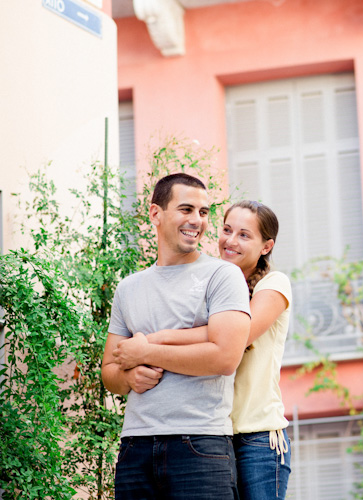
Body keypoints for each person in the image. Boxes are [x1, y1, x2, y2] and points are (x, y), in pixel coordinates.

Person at [114, 200, 293, 500]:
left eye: (244, 235)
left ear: (266, 246)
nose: (230, 241)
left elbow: (237, 337)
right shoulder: (212, 281)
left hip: (257, 437)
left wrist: (149, 344)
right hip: (212, 433)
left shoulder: (274, 285)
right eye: (227, 230)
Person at [101, 173, 252, 500]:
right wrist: (129, 375)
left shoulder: (222, 276)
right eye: (186, 209)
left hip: (199, 444)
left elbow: (225, 358)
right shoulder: (128, 288)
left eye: (203, 212)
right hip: (134, 447)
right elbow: (110, 374)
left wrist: (146, 352)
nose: (197, 220)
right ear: (156, 213)